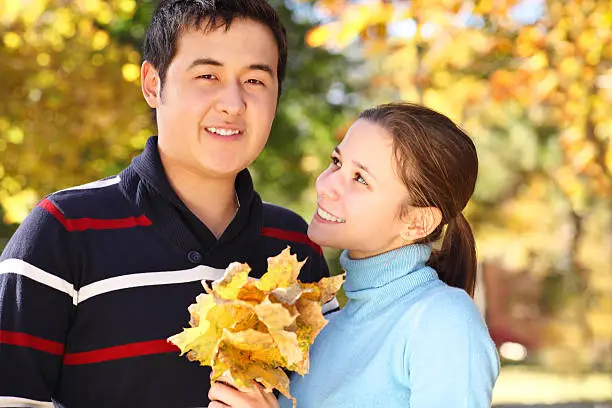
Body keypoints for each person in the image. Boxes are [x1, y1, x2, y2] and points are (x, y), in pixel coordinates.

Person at [0, 1, 336, 407]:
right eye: (207, 75)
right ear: (153, 84)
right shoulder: (64, 230)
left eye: (254, 81)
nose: (233, 103)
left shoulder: (295, 248)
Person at [207, 102, 500, 408]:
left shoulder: (441, 321)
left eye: (360, 178)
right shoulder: (324, 331)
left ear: (417, 222)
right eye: (337, 162)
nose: (325, 184)